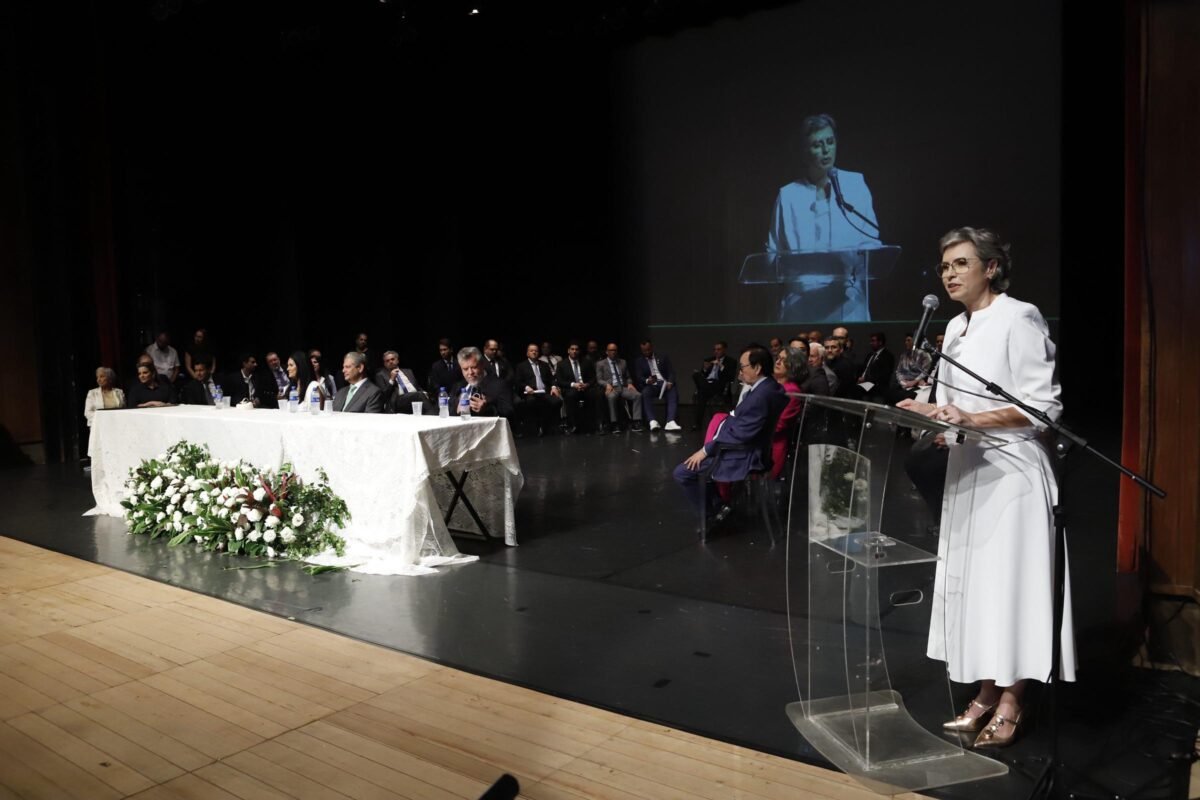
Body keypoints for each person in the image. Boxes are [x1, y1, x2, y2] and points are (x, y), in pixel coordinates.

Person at [897, 227, 1071, 748]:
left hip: (1013, 472)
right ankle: (987, 688)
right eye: (944, 266)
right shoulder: (952, 329)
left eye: (961, 263)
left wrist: (971, 417)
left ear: (991, 267)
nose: (949, 273)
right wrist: (926, 412)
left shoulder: (1019, 316)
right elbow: (951, 407)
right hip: (968, 470)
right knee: (979, 589)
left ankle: (1014, 696)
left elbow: (1043, 409)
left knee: (1010, 587)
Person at [767, 114, 880, 322]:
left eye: (830, 142)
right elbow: (773, 254)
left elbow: (872, 241)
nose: (826, 150)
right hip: (802, 305)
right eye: (817, 145)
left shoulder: (855, 184)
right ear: (804, 151)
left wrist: (858, 260)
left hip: (848, 302)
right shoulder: (788, 195)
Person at [672, 346, 787, 521]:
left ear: (757, 368)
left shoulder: (760, 396)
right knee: (699, 469)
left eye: (743, 367)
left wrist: (705, 451)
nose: (740, 372)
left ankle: (711, 516)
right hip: (748, 447)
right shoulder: (770, 387)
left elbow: (739, 435)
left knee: (682, 472)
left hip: (746, 455)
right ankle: (719, 507)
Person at [449, 346, 513, 418]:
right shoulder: (457, 387)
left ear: (482, 365)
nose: (470, 372)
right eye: (465, 369)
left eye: (474, 367)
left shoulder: (500, 385)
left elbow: (509, 414)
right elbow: (448, 412)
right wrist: (456, 409)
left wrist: (487, 409)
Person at [513, 343, 563, 436]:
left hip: (544, 392)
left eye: (536, 351)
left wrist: (553, 387)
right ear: (527, 353)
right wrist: (526, 387)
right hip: (530, 393)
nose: (534, 352)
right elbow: (518, 381)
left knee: (557, 401)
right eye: (531, 351)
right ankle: (534, 428)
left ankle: (553, 427)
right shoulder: (521, 366)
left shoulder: (544, 364)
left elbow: (551, 379)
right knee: (531, 402)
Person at [632, 340, 681, 432]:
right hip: (652, 385)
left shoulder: (663, 357)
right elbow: (639, 377)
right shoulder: (639, 361)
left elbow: (671, 372)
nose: (647, 352)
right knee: (645, 393)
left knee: (673, 391)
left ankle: (670, 421)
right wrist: (647, 380)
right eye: (644, 351)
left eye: (648, 350)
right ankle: (652, 421)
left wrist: (670, 382)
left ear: (651, 348)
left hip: (664, 384)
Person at [593, 343, 643, 433]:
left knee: (637, 395)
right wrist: (606, 385)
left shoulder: (623, 362)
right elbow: (599, 379)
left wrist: (630, 383)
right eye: (611, 350)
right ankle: (614, 423)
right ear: (607, 352)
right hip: (612, 387)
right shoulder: (600, 364)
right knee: (611, 397)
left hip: (622, 387)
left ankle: (636, 422)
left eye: (615, 350)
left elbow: (628, 376)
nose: (613, 352)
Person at [691, 341, 737, 431]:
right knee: (696, 375)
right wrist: (705, 369)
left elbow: (731, 377)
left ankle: (697, 424)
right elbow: (703, 375)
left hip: (719, 386)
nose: (716, 351)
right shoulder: (709, 360)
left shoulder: (731, 361)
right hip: (707, 384)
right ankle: (697, 424)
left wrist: (721, 366)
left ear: (724, 350)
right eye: (715, 349)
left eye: (719, 349)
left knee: (701, 394)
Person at [375, 350, 430, 414]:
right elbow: (383, 395)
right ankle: (434, 419)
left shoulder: (408, 371)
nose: (390, 362)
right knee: (420, 395)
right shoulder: (381, 375)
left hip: (415, 396)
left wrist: (424, 392)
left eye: (392, 359)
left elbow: (417, 386)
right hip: (398, 401)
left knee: (429, 396)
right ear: (384, 364)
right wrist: (392, 380)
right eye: (387, 361)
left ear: (397, 360)